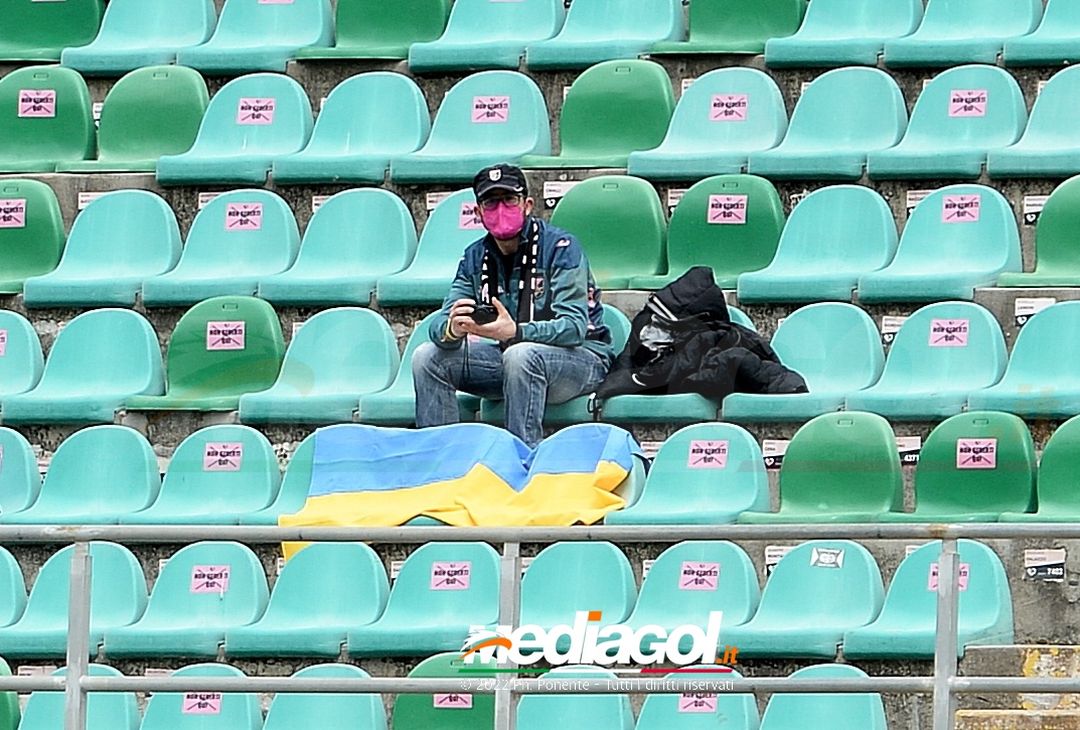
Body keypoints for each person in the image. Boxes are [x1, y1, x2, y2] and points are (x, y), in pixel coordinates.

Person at [413, 163, 614, 447]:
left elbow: (574, 328)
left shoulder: (562, 248)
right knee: (427, 358)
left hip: (581, 362)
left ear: (527, 204)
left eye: (509, 199)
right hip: (510, 360)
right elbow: (439, 323)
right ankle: (443, 465)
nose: (500, 208)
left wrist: (515, 331)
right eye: (490, 202)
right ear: (479, 212)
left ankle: (521, 461)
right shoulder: (474, 257)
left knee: (520, 355)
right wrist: (451, 329)